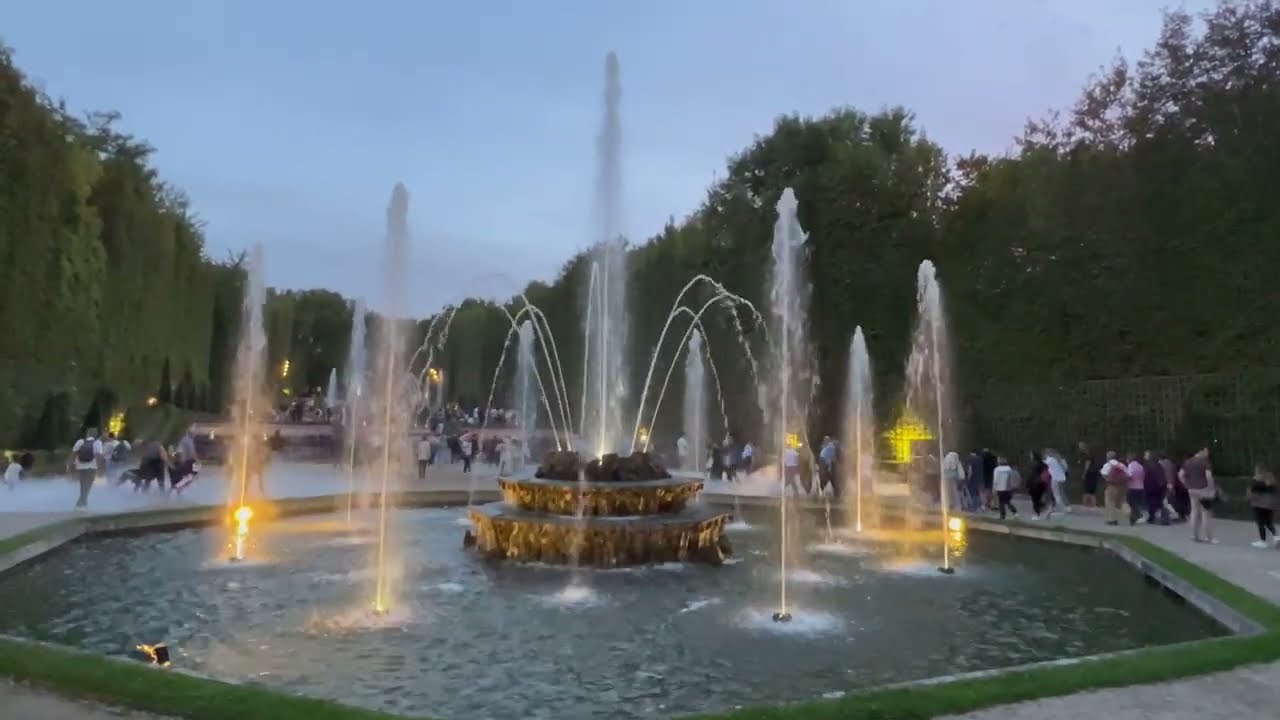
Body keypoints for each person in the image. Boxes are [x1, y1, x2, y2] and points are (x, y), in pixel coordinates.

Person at [1180, 447, 1217, 544]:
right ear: (1202, 450)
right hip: (1203, 489)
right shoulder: (1205, 462)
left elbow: (1180, 475)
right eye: (1206, 450)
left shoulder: (1188, 462)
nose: (1208, 453)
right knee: (1206, 513)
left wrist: (1186, 484)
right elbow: (1208, 476)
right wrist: (1211, 487)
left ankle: (1195, 535)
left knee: (1194, 512)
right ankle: (1208, 538)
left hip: (1192, 490)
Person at [67, 428, 104, 509]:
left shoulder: (80, 441)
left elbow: (73, 454)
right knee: (88, 485)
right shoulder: (98, 443)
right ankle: (81, 503)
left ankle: (83, 502)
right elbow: (99, 456)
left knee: (83, 484)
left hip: (80, 466)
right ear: (96, 435)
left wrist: (69, 465)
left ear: (87, 434)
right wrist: (101, 468)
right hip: (92, 467)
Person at [1246, 464, 1277, 549]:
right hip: (1269, 506)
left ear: (1258, 472)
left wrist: (1249, 500)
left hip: (1258, 505)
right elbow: (1273, 491)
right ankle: (1276, 537)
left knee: (1260, 523)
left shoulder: (1256, 482)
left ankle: (1263, 541)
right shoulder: (1270, 481)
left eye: (1256, 471)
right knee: (1268, 522)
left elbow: (1250, 493)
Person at [1100, 451, 1129, 526]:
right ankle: (1130, 515)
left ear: (1108, 457)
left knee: (1110, 502)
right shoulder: (1121, 464)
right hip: (1122, 486)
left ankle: (1112, 520)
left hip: (1111, 486)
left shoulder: (1108, 464)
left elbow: (1104, 474)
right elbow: (1128, 474)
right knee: (1123, 501)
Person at [1025, 452, 1050, 520]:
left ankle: (1037, 514)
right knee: (1038, 499)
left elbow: (1032, 475)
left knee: (1035, 500)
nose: (1030, 457)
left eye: (1031, 456)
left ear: (1034, 457)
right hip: (1043, 484)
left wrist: (1027, 484)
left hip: (1035, 484)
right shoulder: (1044, 464)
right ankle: (1045, 509)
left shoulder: (1035, 465)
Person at [1125, 453, 1147, 526]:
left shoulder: (1130, 466)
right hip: (1141, 487)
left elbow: (1129, 475)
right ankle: (1133, 518)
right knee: (1136, 502)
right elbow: (1143, 476)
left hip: (1132, 487)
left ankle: (1137, 515)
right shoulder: (1140, 466)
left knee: (1131, 503)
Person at [1077, 442, 1100, 508]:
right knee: (1090, 489)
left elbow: (1087, 464)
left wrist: (1084, 473)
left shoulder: (1087, 454)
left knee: (1087, 489)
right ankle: (1093, 504)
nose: (1080, 448)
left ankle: (1086, 504)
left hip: (1090, 473)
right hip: (1092, 473)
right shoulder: (1083, 454)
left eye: (1081, 446)